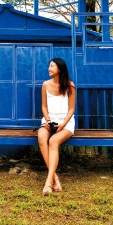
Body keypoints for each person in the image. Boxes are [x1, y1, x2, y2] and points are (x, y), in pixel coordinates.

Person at [37, 57, 75, 195]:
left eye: (52, 66)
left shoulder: (70, 86)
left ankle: (48, 182)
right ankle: (55, 178)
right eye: (49, 66)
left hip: (66, 123)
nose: (49, 69)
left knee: (53, 141)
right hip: (49, 120)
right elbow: (44, 106)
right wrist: (47, 121)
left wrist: (63, 124)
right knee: (41, 137)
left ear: (59, 68)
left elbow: (71, 109)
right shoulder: (45, 85)